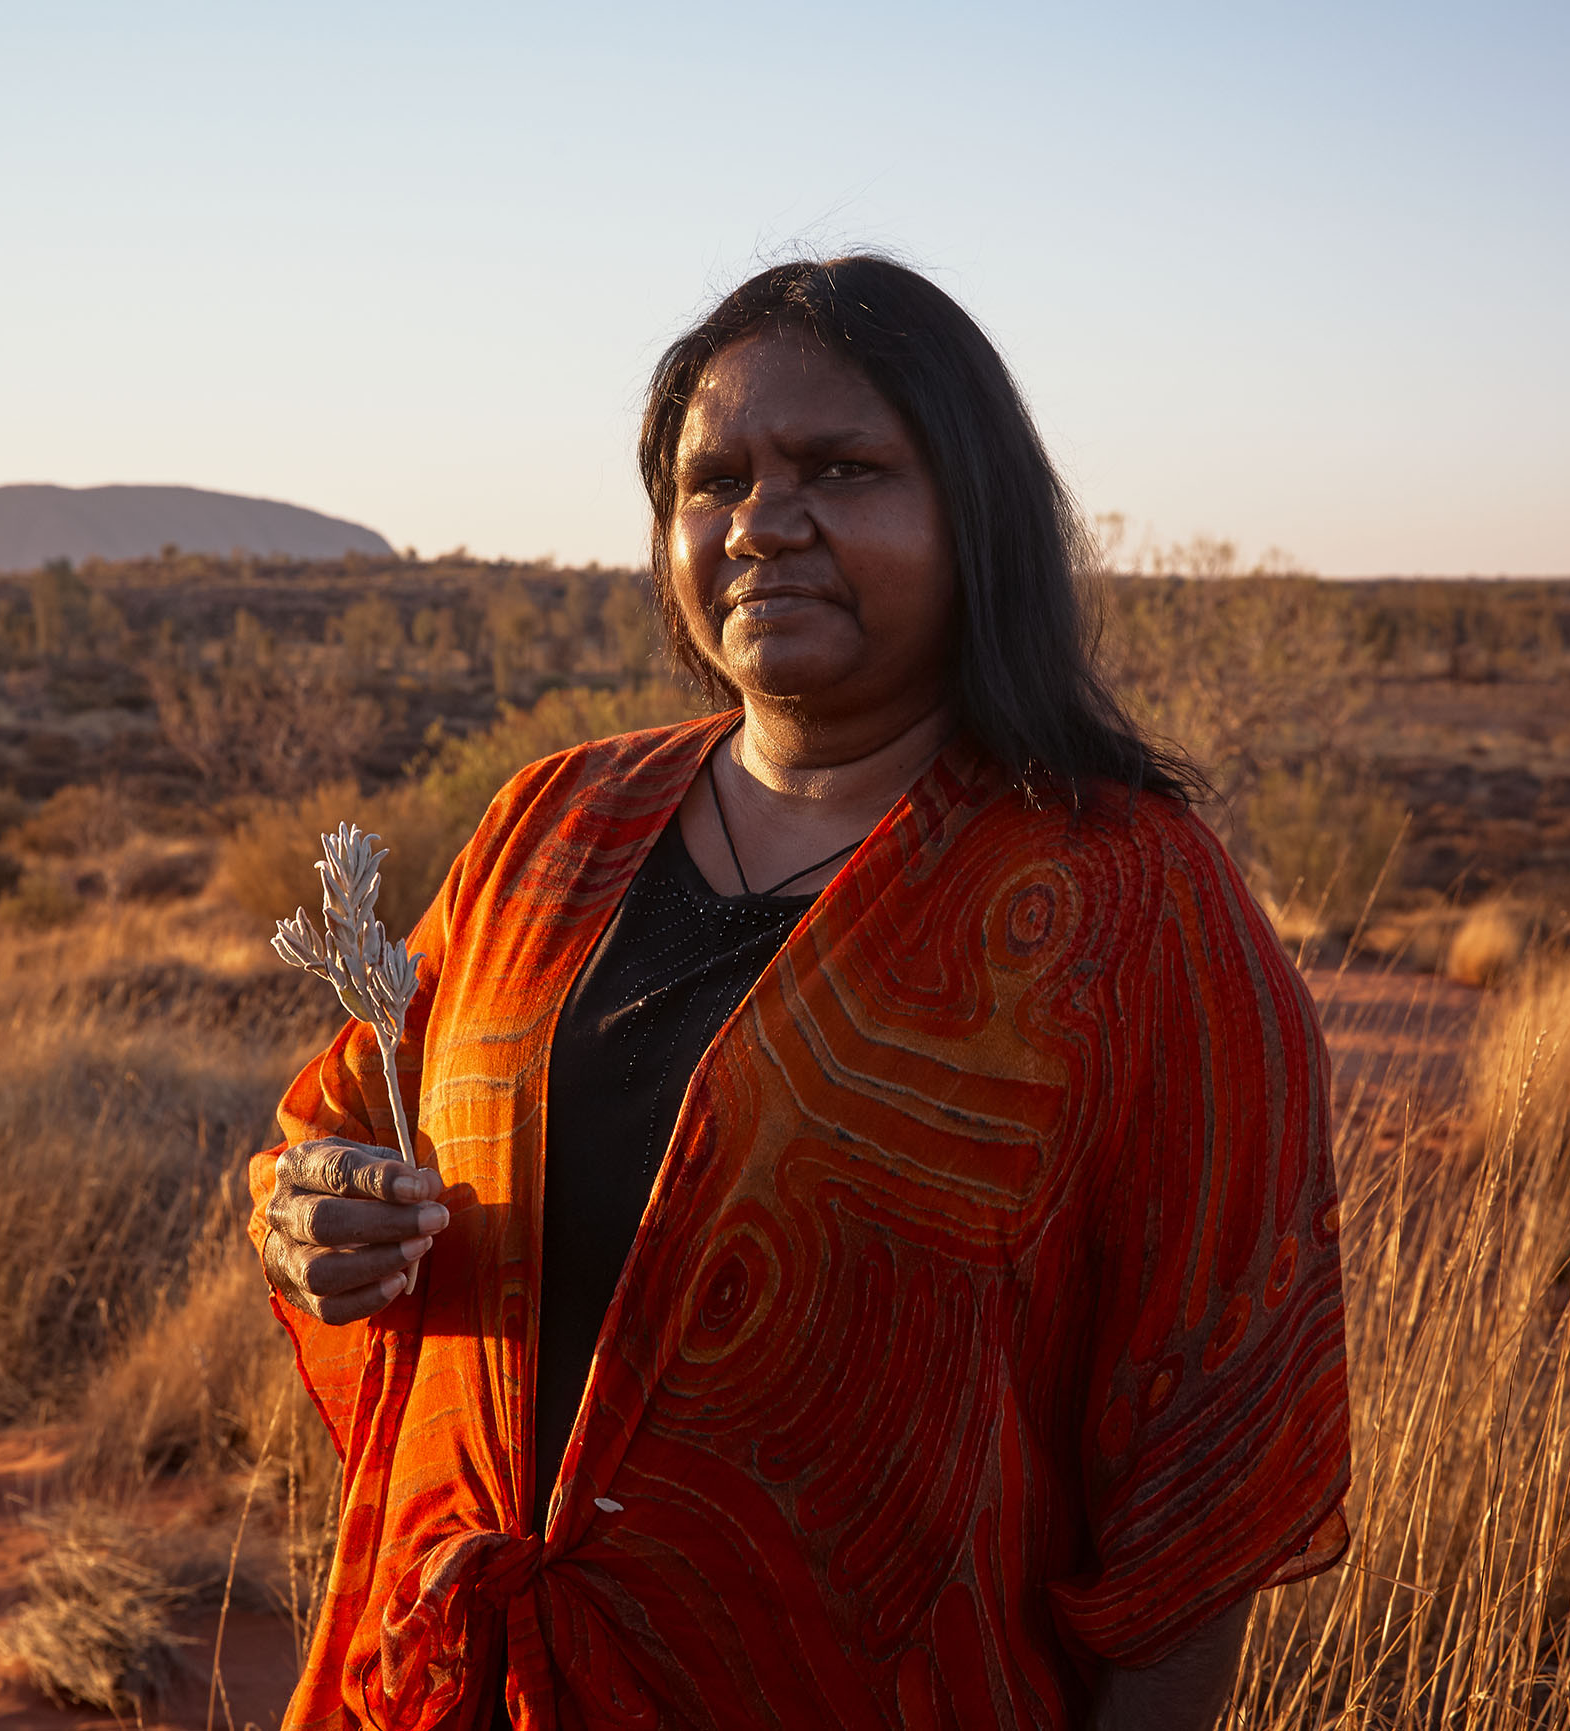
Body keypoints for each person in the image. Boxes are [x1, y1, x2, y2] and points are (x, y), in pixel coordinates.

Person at [251, 256, 1349, 1731]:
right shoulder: (553, 827)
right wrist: (316, 1216)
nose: (764, 522)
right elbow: (337, 1130)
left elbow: (1204, 1462)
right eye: (714, 482)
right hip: (469, 1689)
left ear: (975, 514)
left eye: (841, 467)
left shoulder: (1129, 904)